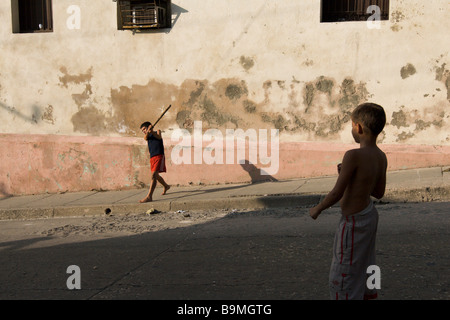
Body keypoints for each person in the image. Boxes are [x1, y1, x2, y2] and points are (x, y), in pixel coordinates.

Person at [309, 102, 388, 300]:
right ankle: (369, 294)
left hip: (353, 223)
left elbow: (337, 193)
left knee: (344, 270)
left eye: (352, 125)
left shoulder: (353, 155)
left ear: (358, 127)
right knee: (367, 262)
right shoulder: (381, 156)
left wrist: (318, 208)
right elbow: (378, 193)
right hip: (369, 216)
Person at [139, 121, 170, 203]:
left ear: (149, 126)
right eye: (143, 131)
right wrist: (148, 132)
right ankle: (166, 186)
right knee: (156, 175)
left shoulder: (157, 132)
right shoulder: (147, 136)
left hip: (159, 155)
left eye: (144, 129)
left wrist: (152, 131)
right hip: (152, 157)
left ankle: (149, 196)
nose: (144, 131)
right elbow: (145, 138)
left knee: (153, 176)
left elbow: (159, 137)